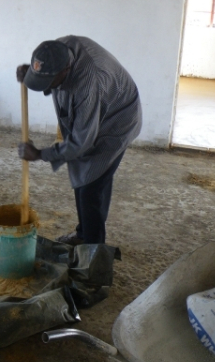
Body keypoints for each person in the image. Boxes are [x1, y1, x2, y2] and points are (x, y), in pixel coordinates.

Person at [16, 36, 142, 245]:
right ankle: (83, 235)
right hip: (97, 111)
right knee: (83, 180)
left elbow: (81, 143)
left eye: (49, 81)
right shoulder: (57, 49)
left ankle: (93, 254)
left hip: (116, 122)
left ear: (65, 71)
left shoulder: (90, 84)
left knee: (91, 188)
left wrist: (40, 154)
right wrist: (32, 73)